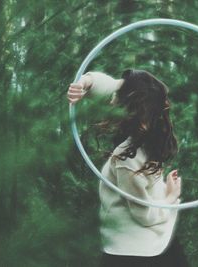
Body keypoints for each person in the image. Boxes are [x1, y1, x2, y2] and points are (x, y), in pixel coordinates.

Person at [67, 69, 189, 267]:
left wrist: (170, 197)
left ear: (130, 105)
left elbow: (144, 214)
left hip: (135, 253)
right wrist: (83, 82)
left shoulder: (128, 156)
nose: (112, 99)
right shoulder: (147, 141)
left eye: (117, 96)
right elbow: (109, 84)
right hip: (148, 245)